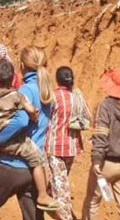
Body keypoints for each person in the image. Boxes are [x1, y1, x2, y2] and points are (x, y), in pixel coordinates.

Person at [0, 46, 55, 220]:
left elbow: (21, 121)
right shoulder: (46, 90)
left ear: (22, 67)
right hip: (35, 167)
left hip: (12, 165)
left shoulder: (24, 91)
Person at [82, 68, 120, 220]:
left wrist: (96, 160)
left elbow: (101, 134)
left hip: (106, 164)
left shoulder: (106, 105)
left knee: (93, 202)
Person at [46, 66, 93, 220]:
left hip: (55, 145)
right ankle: (46, 195)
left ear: (57, 80)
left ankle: (65, 216)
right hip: (72, 146)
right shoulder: (77, 95)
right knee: (61, 178)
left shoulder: (53, 96)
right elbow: (88, 116)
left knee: (61, 185)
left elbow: (44, 118)